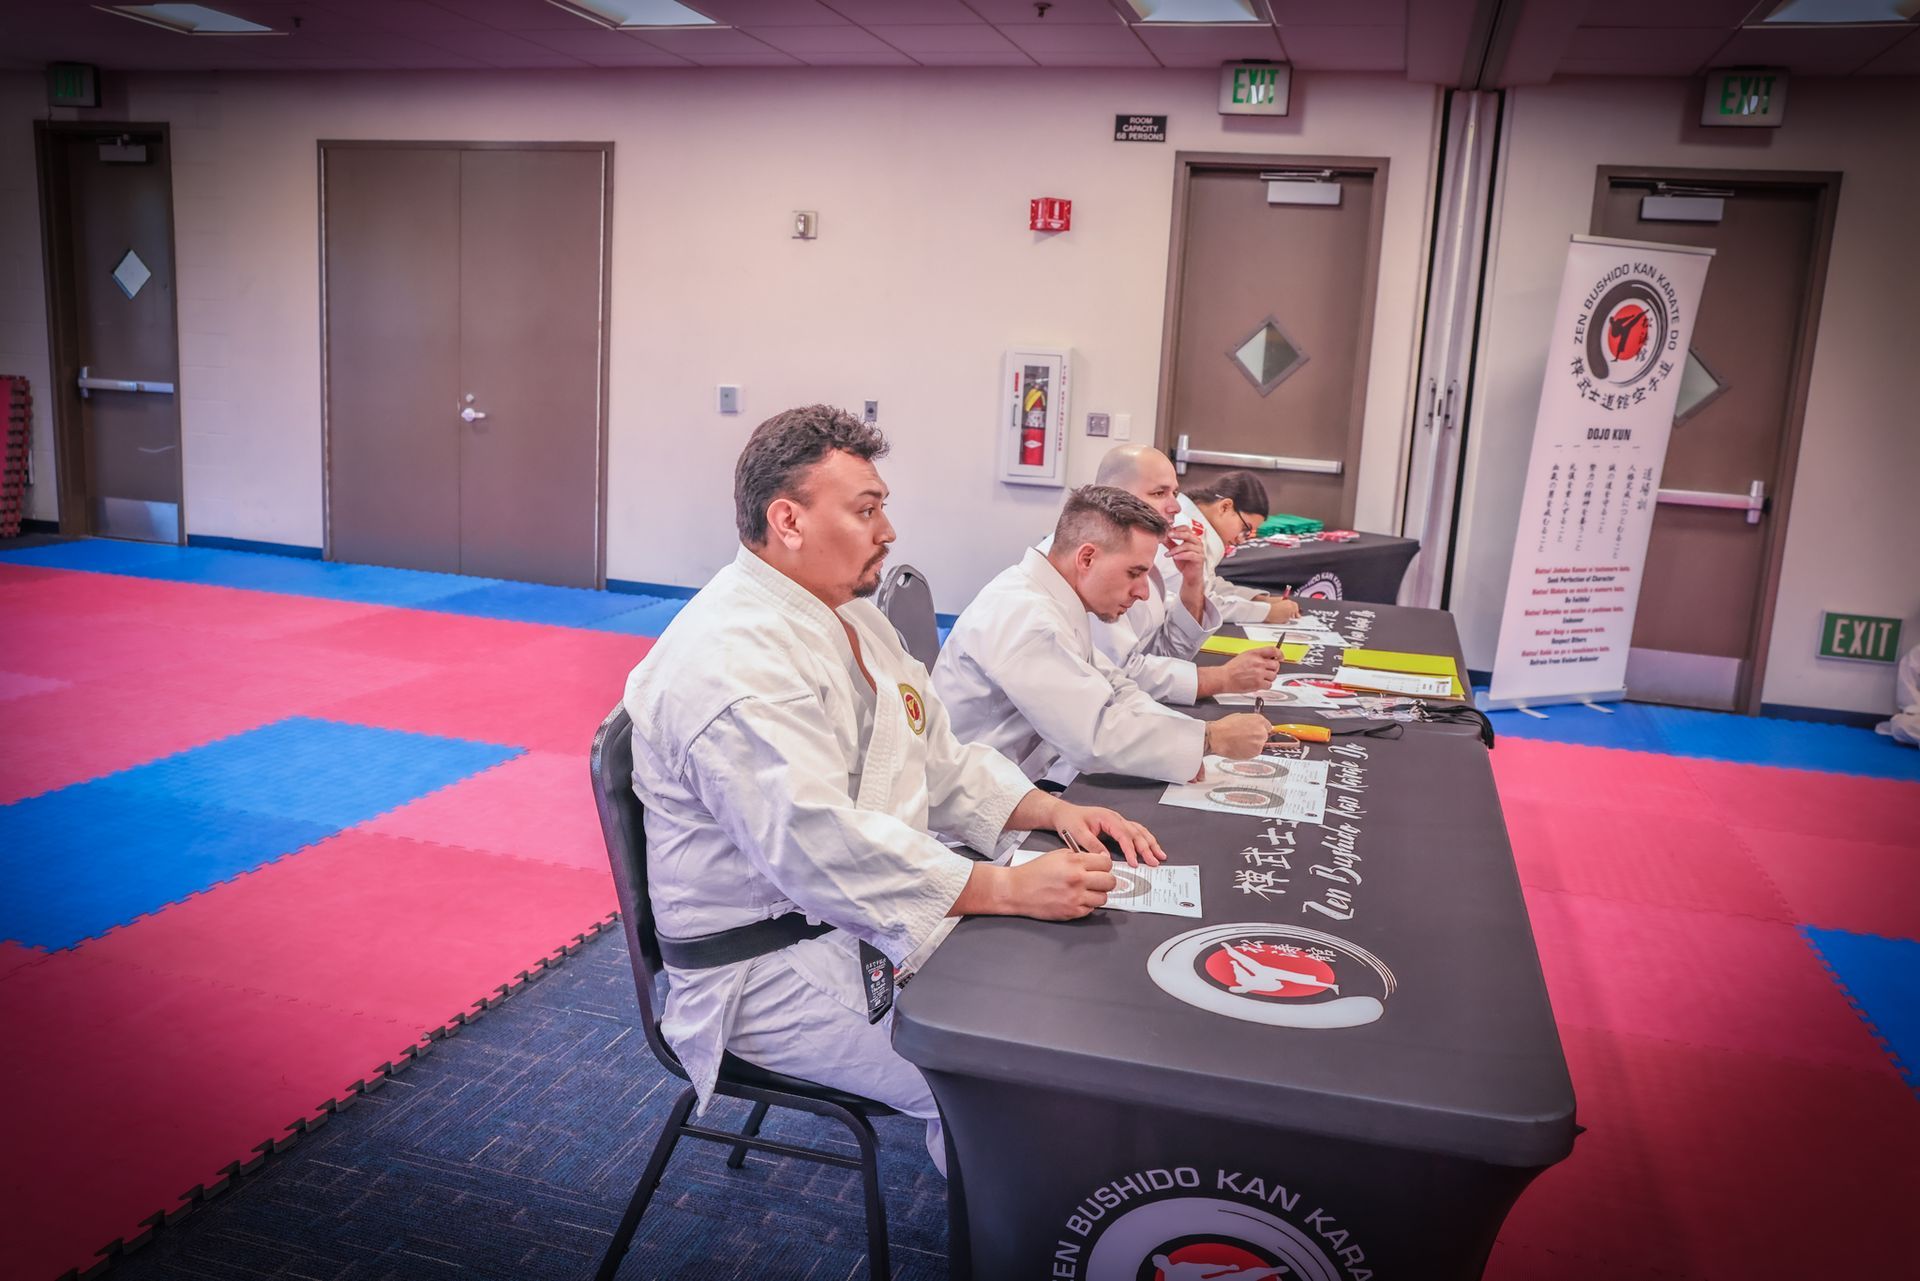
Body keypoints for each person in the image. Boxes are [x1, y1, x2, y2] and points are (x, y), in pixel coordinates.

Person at [622, 405, 1165, 1173]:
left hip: (851, 921)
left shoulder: (852, 619)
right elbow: (817, 848)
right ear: (789, 520)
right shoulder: (728, 661)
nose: (889, 530)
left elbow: (938, 756)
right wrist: (1001, 889)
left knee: (1054, 996)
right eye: (867, 509)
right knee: (1001, 1076)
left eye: (884, 506)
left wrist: (1050, 809)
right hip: (765, 970)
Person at [934, 484, 1273, 785]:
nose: (1142, 592)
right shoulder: (1028, 617)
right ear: (1087, 558)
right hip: (975, 813)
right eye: (1134, 573)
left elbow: (1116, 687)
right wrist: (1208, 738)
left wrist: (1183, 744)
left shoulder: (1056, 597)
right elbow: (1092, 738)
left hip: (1021, 781)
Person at [1087, 445, 1281, 704]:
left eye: (1175, 493)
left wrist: (1192, 583)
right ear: (1114, 495)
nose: (1176, 507)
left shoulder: (1148, 550)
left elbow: (1165, 653)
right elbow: (1116, 677)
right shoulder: (1097, 561)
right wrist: (1221, 679)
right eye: (1159, 493)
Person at [1177, 469, 1303, 625]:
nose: (1242, 540)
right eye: (1245, 529)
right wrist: (1265, 613)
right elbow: (1193, 604)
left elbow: (1207, 584)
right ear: (1225, 507)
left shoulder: (1197, 526)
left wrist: (1258, 599)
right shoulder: (1182, 529)